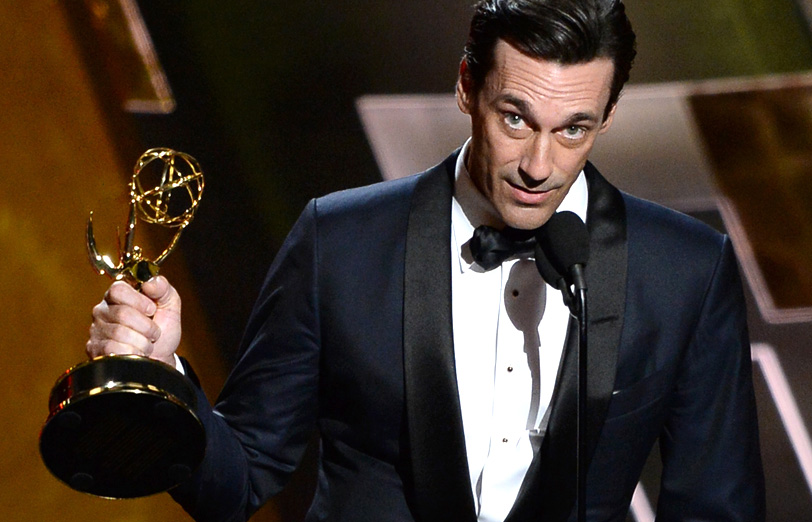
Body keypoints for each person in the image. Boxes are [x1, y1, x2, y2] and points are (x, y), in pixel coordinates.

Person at [86, 1, 765, 520]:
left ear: (607, 116)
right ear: (468, 86)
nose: (539, 165)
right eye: (516, 118)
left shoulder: (685, 271)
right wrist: (162, 377)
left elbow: (717, 508)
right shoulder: (341, 241)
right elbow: (238, 481)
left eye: (573, 130)